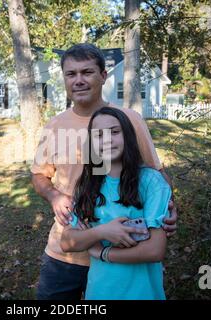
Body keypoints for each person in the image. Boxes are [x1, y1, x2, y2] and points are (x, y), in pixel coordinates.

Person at [31, 43, 177, 300]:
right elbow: (39, 175)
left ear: (103, 75)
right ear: (64, 78)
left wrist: (170, 209)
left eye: (87, 72)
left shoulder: (127, 120)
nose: (79, 80)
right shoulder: (53, 126)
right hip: (68, 250)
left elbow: (156, 172)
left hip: (124, 246)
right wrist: (55, 196)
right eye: (71, 74)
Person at [60, 106, 171, 299]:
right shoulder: (88, 185)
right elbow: (67, 241)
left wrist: (103, 253)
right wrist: (102, 232)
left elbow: (155, 250)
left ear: (127, 136)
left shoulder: (151, 181)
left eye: (114, 132)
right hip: (99, 293)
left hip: (143, 293)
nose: (107, 140)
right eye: (98, 135)